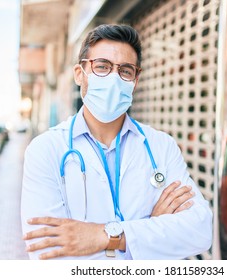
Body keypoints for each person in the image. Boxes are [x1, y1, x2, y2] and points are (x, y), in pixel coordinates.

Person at [21, 24, 212, 260]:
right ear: (80, 74)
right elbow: (48, 253)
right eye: (102, 67)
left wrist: (105, 237)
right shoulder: (45, 150)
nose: (114, 78)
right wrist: (148, 232)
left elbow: (200, 230)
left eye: (125, 70)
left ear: (135, 79)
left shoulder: (161, 146)